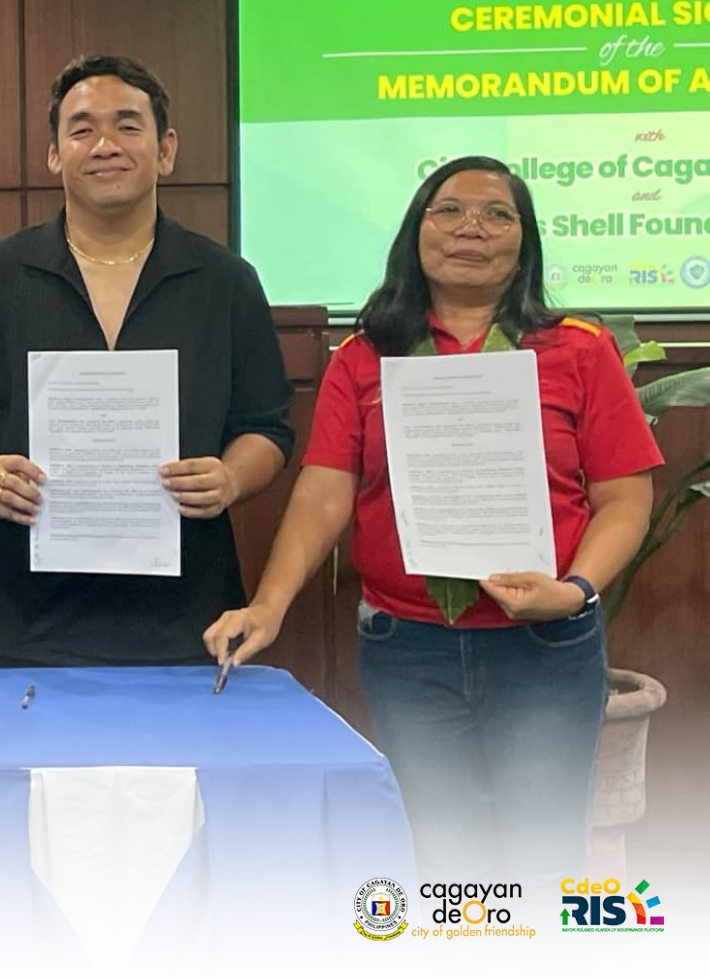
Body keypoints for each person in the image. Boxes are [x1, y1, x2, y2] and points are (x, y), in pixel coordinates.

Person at [204, 156, 660, 881]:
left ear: (525, 239)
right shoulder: (364, 357)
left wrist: (573, 588)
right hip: (407, 648)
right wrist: (268, 603)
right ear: (417, 231)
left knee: (544, 862)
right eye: (449, 209)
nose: (471, 226)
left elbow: (625, 499)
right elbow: (323, 494)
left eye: (497, 213)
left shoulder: (579, 348)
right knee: (441, 860)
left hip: (543, 650)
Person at [0, 54, 293, 666]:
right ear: (54, 153)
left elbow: (268, 424)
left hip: (184, 616)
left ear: (166, 149)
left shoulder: (225, 281)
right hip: (23, 616)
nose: (105, 145)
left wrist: (229, 478)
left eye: (128, 126)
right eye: (82, 128)